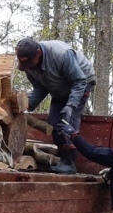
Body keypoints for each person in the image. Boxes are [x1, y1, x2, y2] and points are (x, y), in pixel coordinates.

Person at [15, 37, 95, 174]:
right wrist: (26, 104)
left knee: (66, 122)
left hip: (81, 83)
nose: (28, 67)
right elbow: (40, 88)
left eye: (30, 63)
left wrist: (71, 105)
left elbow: (80, 81)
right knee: (54, 121)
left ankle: (69, 162)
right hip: (59, 88)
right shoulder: (28, 66)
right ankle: (63, 160)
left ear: (38, 53)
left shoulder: (61, 55)